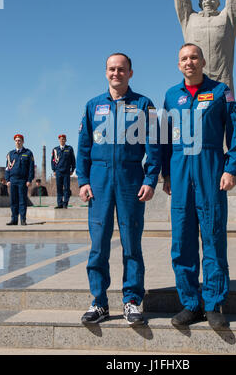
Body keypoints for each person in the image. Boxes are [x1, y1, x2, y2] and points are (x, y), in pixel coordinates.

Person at [162, 43, 236, 329]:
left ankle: (213, 303)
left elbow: (235, 133)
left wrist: (230, 169)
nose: (189, 62)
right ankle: (190, 304)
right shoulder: (171, 96)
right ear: (178, 64)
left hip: (211, 170)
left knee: (213, 238)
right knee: (181, 242)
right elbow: (163, 139)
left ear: (203, 61)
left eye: (194, 57)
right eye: (183, 58)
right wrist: (166, 175)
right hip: (180, 170)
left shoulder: (222, 92)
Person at [77, 52, 160, 326]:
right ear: (105, 73)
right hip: (99, 181)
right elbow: (83, 148)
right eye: (112, 69)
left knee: (131, 243)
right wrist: (84, 180)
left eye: (121, 69)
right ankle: (99, 302)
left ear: (130, 73)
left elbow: (154, 147)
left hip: (130, 179)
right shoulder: (92, 106)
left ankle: (132, 301)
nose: (116, 73)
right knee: (98, 244)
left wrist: (150, 180)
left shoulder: (143, 104)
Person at [5, 134, 35, 226]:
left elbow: (31, 168)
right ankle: (14, 220)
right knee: (13, 201)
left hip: (23, 181)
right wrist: (7, 180)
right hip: (13, 180)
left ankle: (23, 220)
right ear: (14, 142)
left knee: (22, 201)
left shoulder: (28, 153)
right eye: (16, 140)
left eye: (19, 140)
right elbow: (7, 168)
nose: (18, 142)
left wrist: (29, 180)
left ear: (23, 142)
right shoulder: (10, 154)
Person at [51, 134, 75, 209]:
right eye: (61, 139)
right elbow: (53, 161)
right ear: (59, 140)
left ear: (65, 140)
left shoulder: (69, 148)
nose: (62, 140)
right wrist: (54, 170)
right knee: (59, 188)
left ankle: (65, 203)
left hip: (66, 172)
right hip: (58, 172)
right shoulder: (55, 150)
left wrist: (73, 169)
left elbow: (73, 160)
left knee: (67, 188)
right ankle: (59, 204)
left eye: (64, 139)